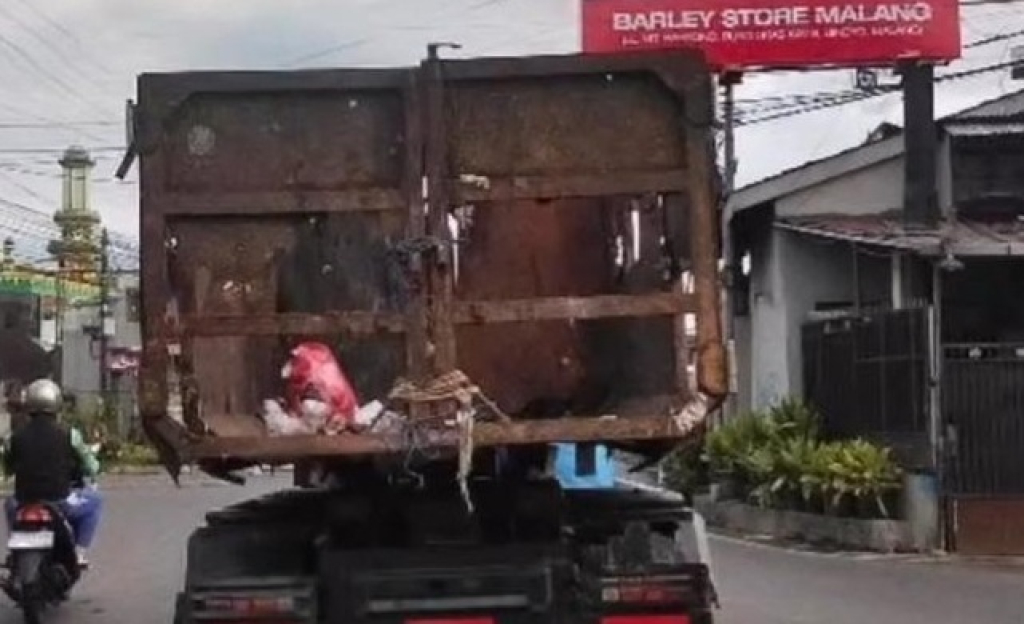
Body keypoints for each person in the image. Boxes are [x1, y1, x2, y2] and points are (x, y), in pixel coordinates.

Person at [3, 379, 102, 568]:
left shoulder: (15, 437)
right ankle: (79, 553)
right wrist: (94, 468)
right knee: (96, 500)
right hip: (60, 501)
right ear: (56, 403)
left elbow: (7, 468)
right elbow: (90, 465)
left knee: (9, 504)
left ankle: (15, 549)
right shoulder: (69, 434)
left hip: (24, 501)